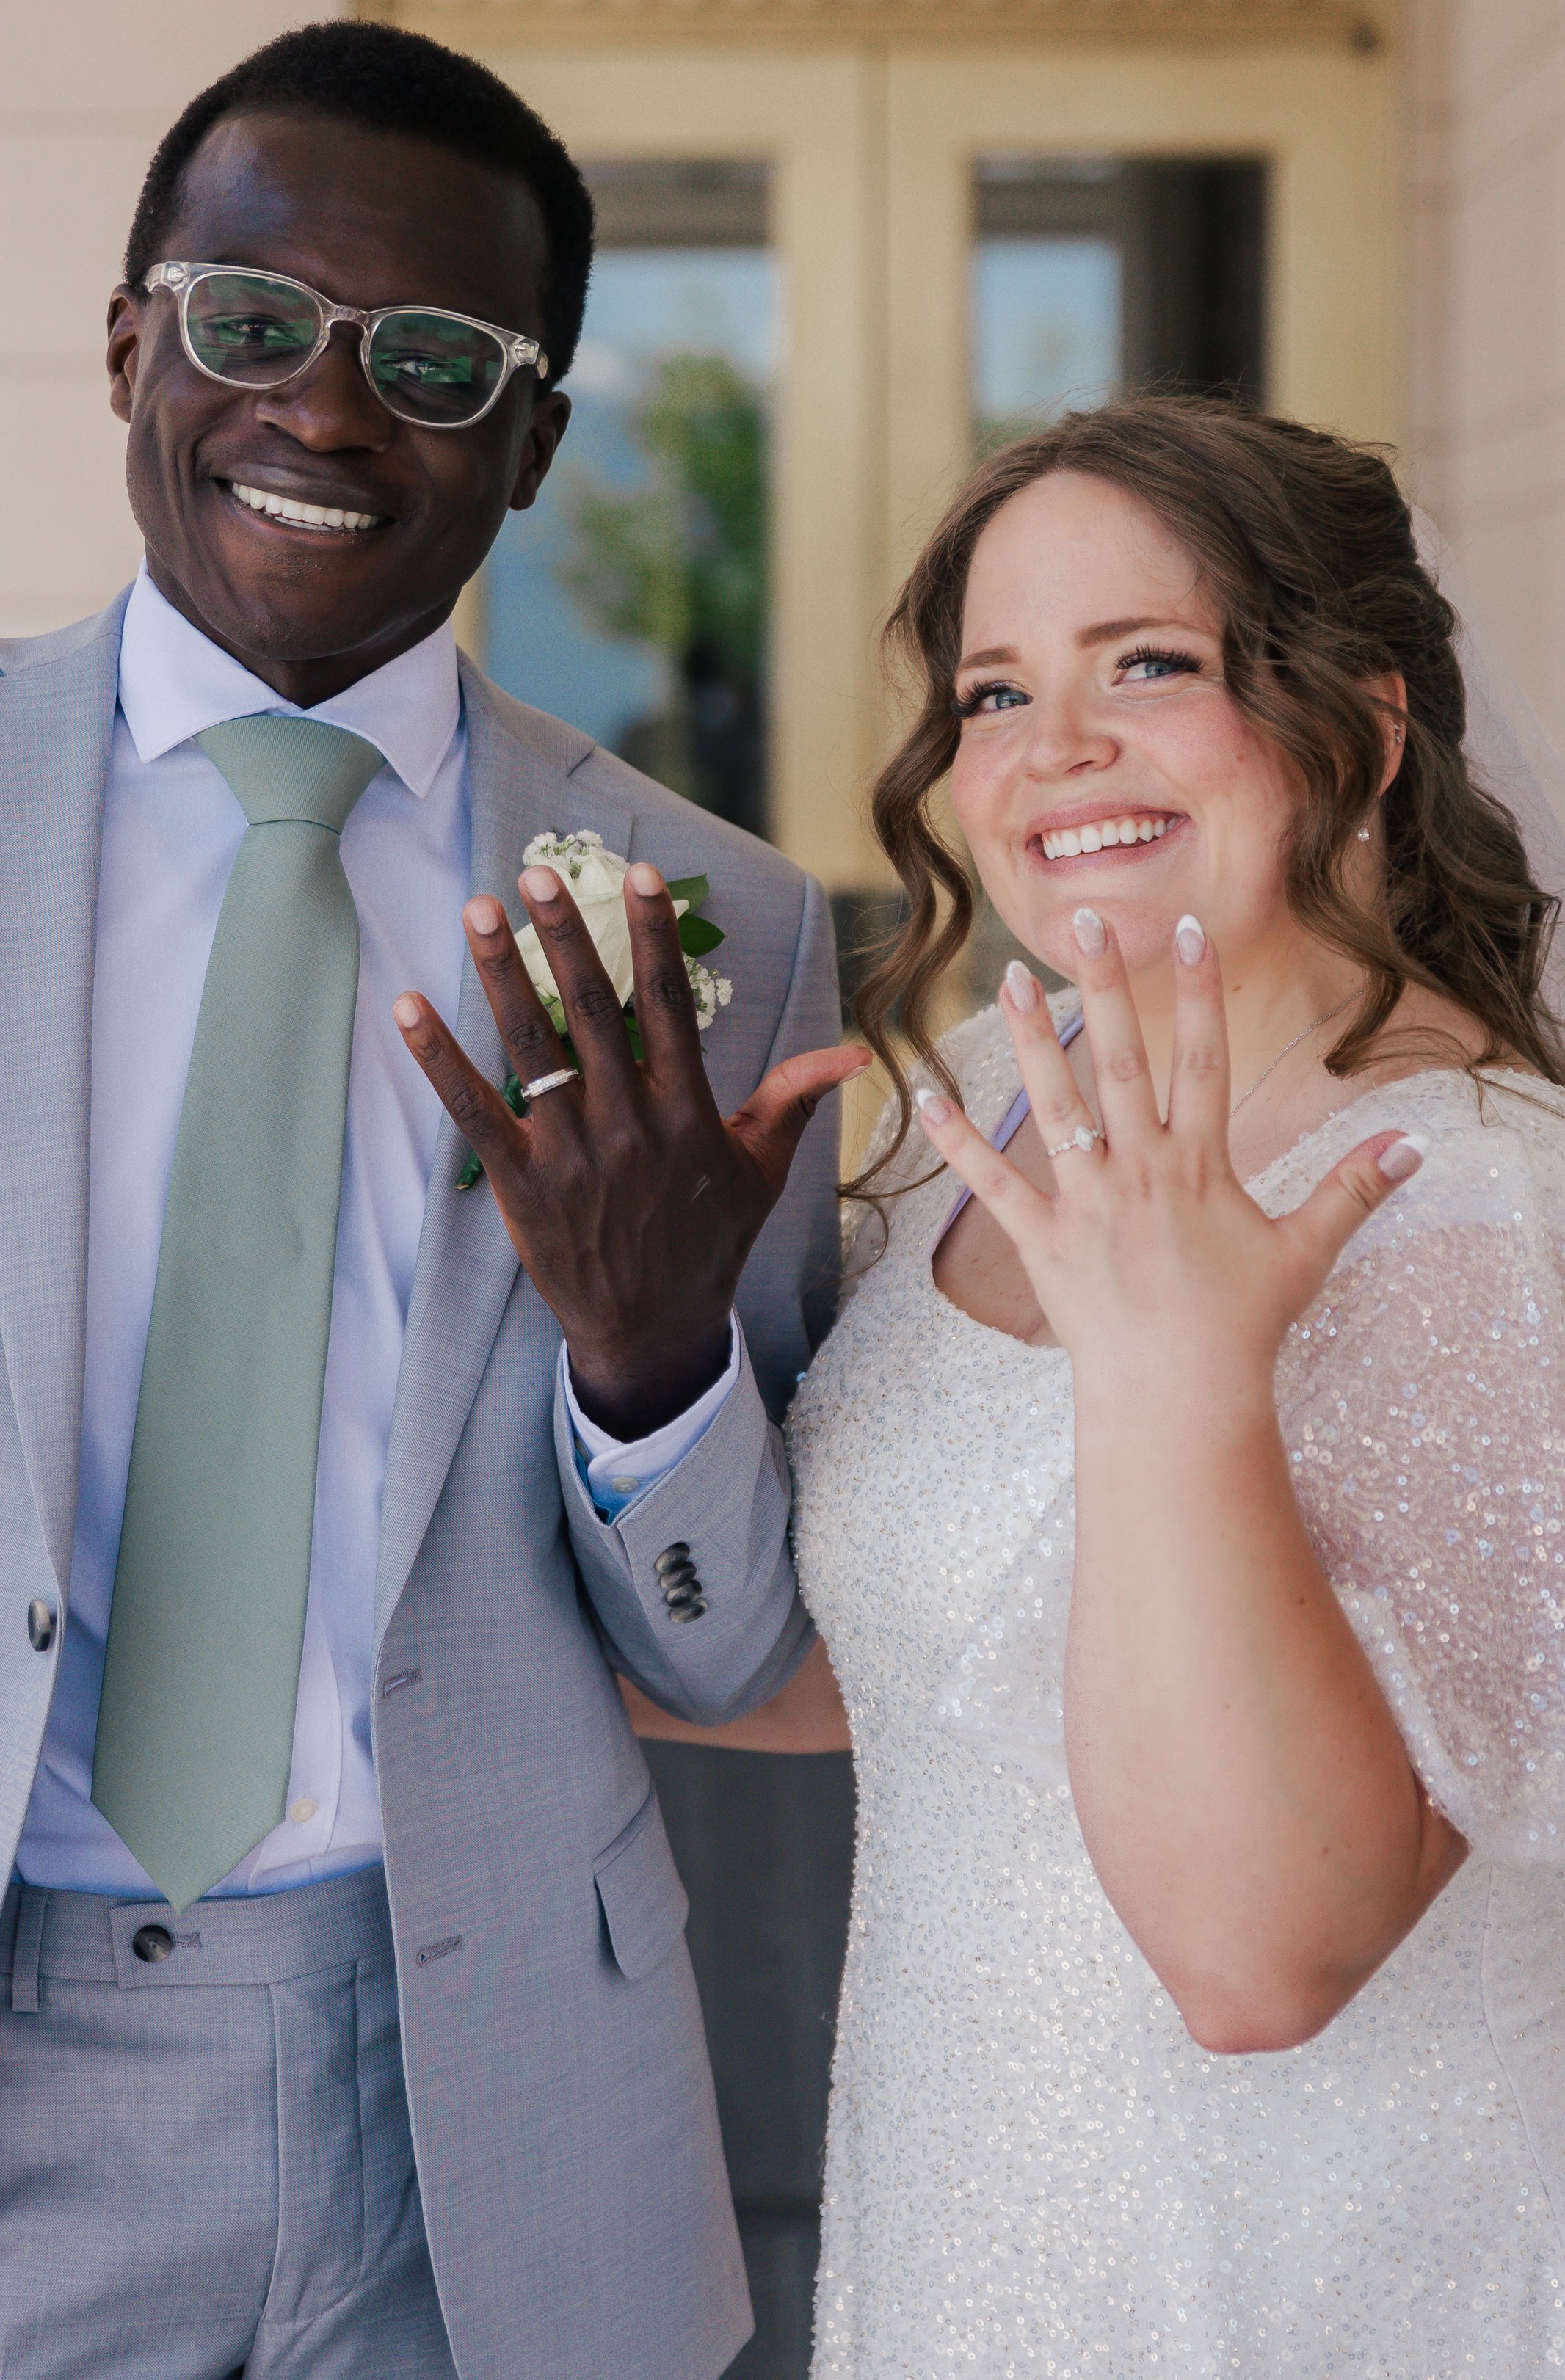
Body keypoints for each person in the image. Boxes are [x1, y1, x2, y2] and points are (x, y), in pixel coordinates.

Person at [0, 20, 864, 2380]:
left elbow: (724, 1651)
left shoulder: (715, 924)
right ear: (134, 342)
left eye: (434, 362)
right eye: (252, 324)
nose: (327, 416)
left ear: (536, 440)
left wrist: (649, 1368)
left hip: (493, 2113)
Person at [771, 399, 1565, 2373]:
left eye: (1149, 666)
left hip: (1296, 2289)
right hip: (964, 2249)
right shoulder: (973, 1098)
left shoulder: (1473, 1208)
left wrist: (1171, 1384)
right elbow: (914, 1654)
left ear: (1357, 730)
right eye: (992, 693)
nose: (1055, 753)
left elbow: (1263, 1959)